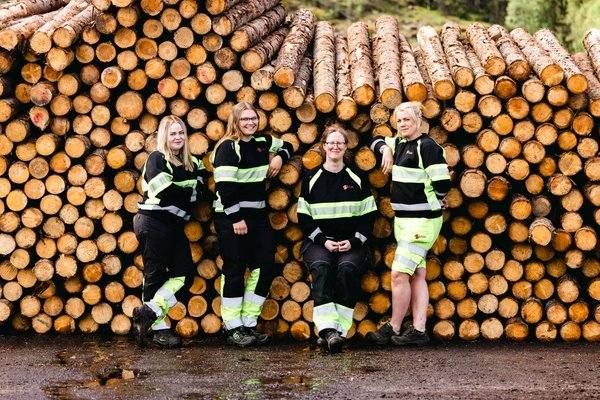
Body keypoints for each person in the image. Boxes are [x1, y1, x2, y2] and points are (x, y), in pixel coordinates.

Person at [368, 101, 451, 346]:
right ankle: (419, 329)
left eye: (407, 120)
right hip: (404, 221)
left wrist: (437, 200)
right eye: (399, 120)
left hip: (422, 221)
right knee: (417, 274)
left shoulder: (428, 147)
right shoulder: (400, 144)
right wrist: (385, 149)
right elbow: (373, 140)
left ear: (419, 121)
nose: (402, 124)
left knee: (398, 275)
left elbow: (443, 183)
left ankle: (393, 326)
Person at [212, 102, 293, 347]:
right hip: (230, 216)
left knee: (265, 267)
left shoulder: (261, 143)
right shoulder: (228, 147)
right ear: (235, 122)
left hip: (258, 216)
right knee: (235, 269)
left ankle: (248, 323)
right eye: (245, 119)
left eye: (253, 118)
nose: (250, 123)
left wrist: (279, 157)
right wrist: (236, 217)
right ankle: (232, 326)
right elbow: (224, 187)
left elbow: (288, 145)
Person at [297, 125, 377, 353]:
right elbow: (304, 218)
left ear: (345, 147)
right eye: (330, 143)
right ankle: (328, 330)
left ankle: (337, 332)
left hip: (352, 242)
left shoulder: (357, 177)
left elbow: (369, 216)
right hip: (319, 242)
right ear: (323, 146)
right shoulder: (312, 178)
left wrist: (354, 241)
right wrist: (323, 240)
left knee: (347, 269)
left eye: (339, 143)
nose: (334, 146)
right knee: (322, 268)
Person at [132, 115, 206, 348]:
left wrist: (188, 187)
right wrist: (190, 187)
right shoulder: (156, 158)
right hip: (152, 222)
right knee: (154, 275)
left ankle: (149, 311)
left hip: (173, 225)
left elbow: (203, 188)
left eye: (181, 132)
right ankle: (159, 331)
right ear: (164, 136)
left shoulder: (191, 162)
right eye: (172, 133)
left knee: (184, 276)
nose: (178, 137)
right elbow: (165, 191)